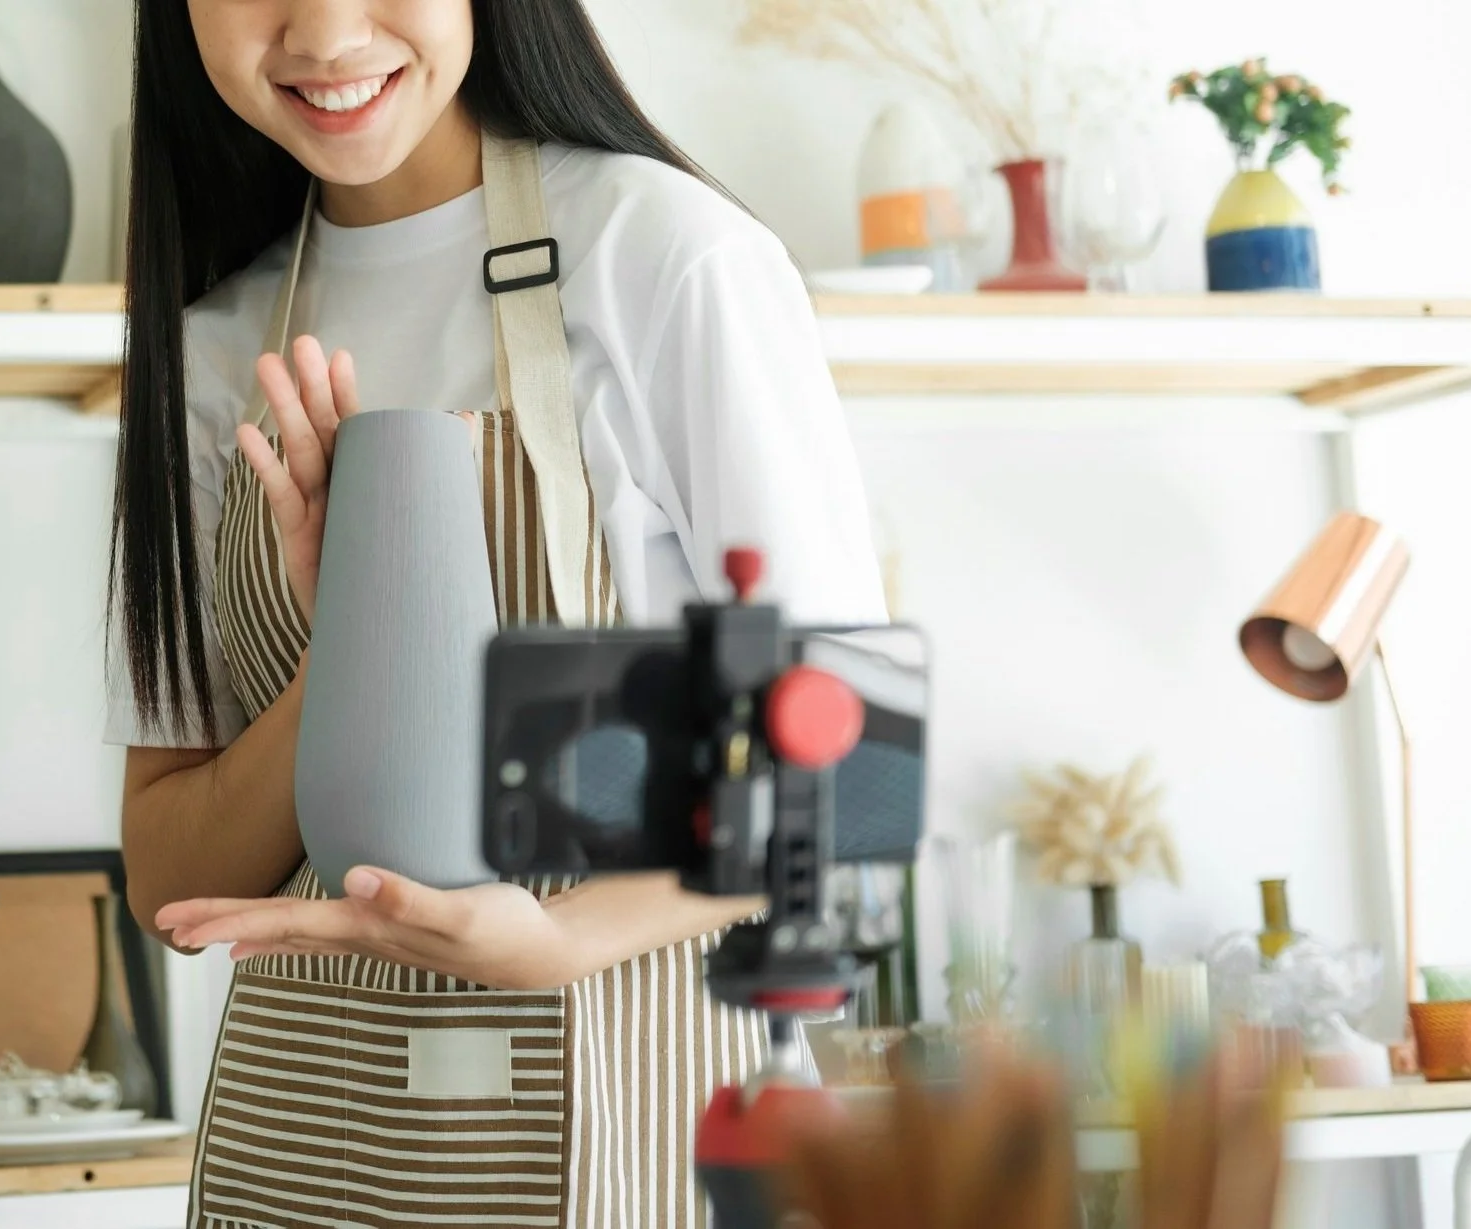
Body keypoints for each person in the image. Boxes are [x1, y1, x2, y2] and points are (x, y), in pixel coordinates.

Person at [104, 2, 886, 1225]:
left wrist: (559, 939)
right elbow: (172, 875)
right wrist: (359, 648)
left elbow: (851, 763)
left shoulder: (663, 256)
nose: (323, 31)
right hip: (311, 1162)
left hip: (640, 1146)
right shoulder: (206, 356)